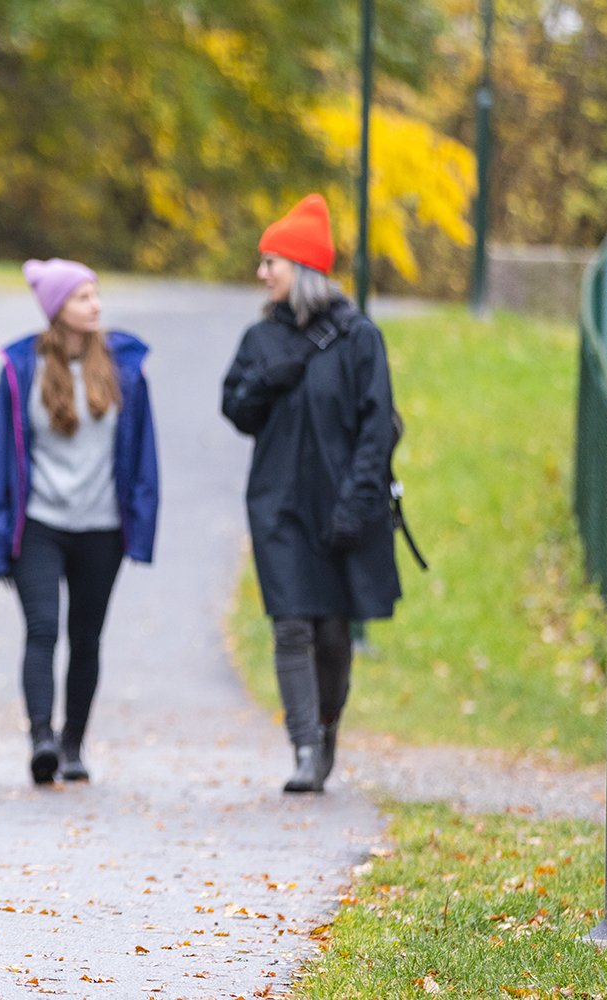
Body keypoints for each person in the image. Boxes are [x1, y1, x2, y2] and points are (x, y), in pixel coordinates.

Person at [221, 194, 401, 793]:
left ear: (299, 268)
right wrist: (268, 378)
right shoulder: (260, 339)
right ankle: (302, 749)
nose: (261, 273)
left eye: (270, 262)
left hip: (341, 504)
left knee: (330, 633)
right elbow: (236, 410)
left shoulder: (358, 339)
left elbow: (378, 426)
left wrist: (357, 503)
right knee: (291, 626)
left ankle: (326, 731)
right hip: (277, 505)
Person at [0, 260, 158, 785]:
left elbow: (143, 453)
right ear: (57, 309)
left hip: (102, 526)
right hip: (39, 523)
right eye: (82, 298)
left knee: (87, 635)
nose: (95, 306)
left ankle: (74, 743)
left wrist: (141, 525)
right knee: (42, 628)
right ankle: (42, 740)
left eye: (96, 295)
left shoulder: (125, 368)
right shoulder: (21, 368)